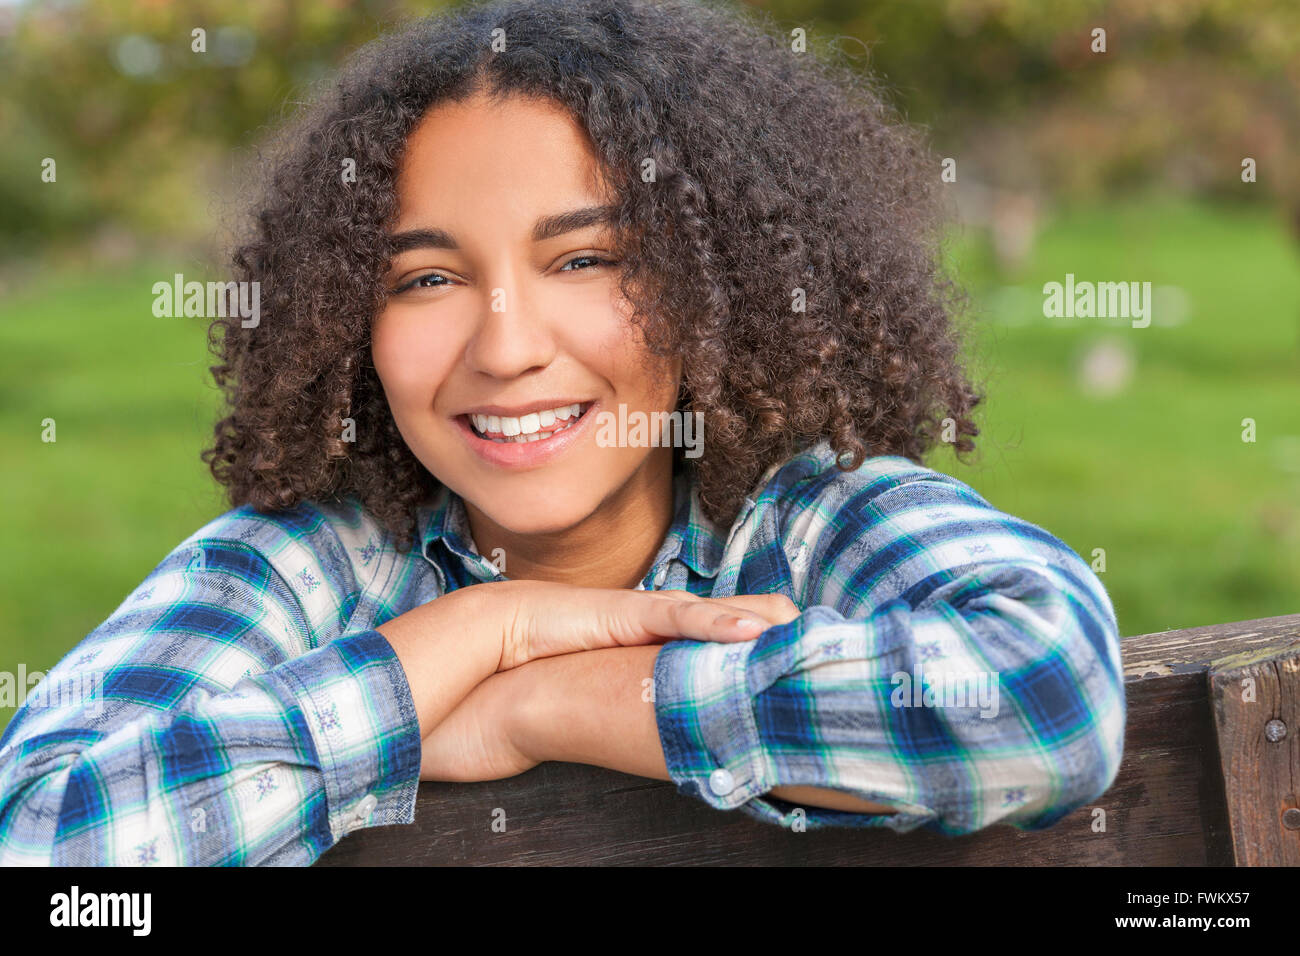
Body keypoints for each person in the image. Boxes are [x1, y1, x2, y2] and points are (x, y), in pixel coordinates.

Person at [0, 0, 1124, 865]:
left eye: (584, 258)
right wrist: (482, 629)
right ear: (348, 321)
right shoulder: (303, 563)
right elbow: (40, 838)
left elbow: (1047, 693)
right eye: (427, 276)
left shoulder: (806, 524)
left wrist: (550, 698)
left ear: (714, 279)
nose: (504, 347)